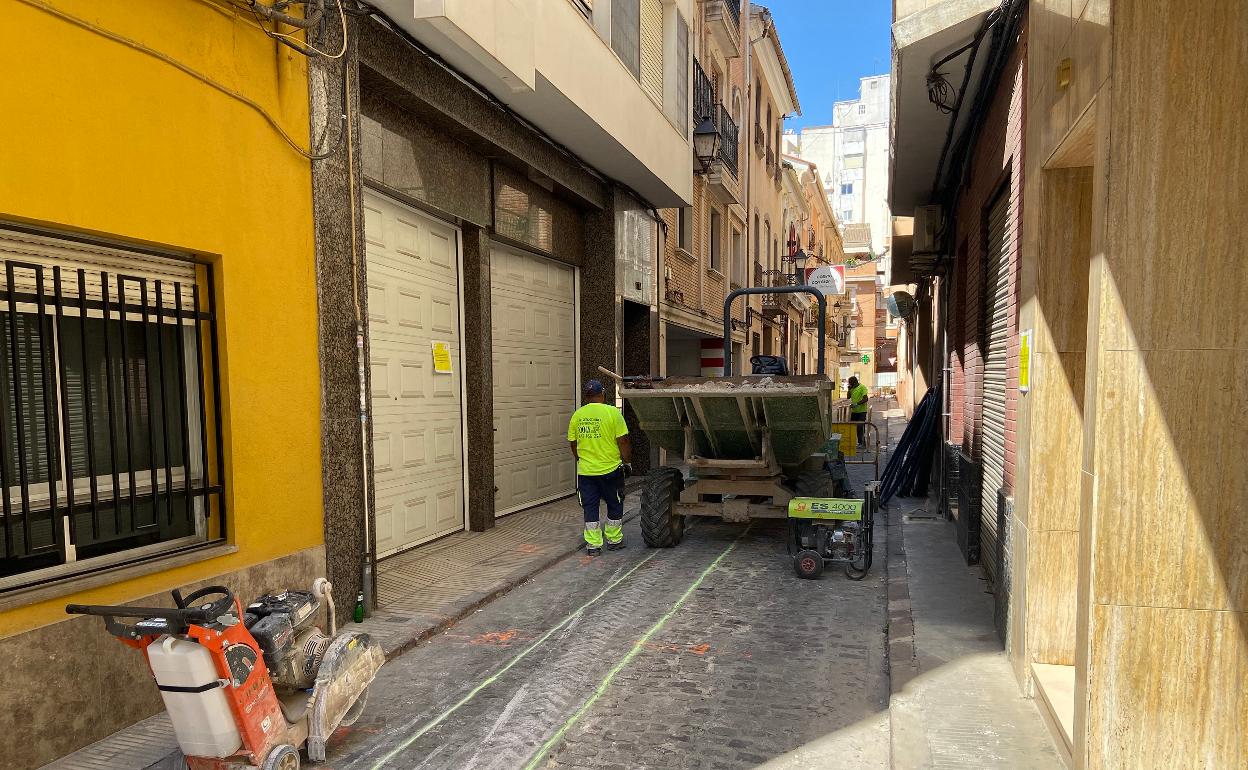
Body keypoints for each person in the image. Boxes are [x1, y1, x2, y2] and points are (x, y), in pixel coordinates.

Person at [567, 379, 632, 556]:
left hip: (586, 473)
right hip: (611, 470)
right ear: (603, 394)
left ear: (587, 396)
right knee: (615, 504)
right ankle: (614, 540)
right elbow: (623, 441)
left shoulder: (577, 415)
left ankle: (593, 546)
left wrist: (580, 459)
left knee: (590, 507)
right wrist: (627, 461)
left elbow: (573, 443)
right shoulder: (613, 413)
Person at [848, 375, 869, 447]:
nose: (849, 384)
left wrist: (857, 404)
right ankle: (854, 442)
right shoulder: (852, 388)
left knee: (860, 427)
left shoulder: (862, 387)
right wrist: (849, 389)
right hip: (854, 412)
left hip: (862, 412)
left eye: (850, 383)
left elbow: (866, 399)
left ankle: (862, 443)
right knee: (852, 427)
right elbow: (848, 397)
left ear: (854, 383)